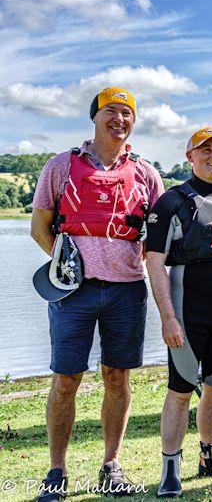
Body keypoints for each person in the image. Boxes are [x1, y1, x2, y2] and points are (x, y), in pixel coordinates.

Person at [29, 87, 164, 500]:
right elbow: (40, 227)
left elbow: (157, 237)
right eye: (110, 112)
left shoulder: (146, 173)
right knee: (67, 379)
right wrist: (63, 264)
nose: (119, 120)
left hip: (127, 291)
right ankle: (56, 472)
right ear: (95, 117)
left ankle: (111, 466)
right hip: (73, 293)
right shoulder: (61, 166)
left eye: (126, 113)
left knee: (117, 377)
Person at [145, 128, 212, 497]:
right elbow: (154, 263)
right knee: (180, 390)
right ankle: (170, 469)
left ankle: (210, 457)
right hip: (187, 310)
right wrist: (168, 318)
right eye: (206, 150)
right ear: (190, 156)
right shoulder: (171, 201)